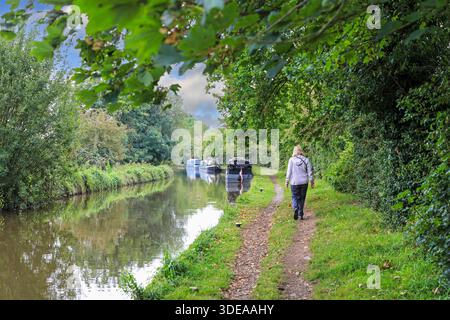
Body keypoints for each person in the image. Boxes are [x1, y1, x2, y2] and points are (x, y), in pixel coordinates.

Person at [285, 145, 314, 220]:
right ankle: (300, 214)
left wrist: (287, 181)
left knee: (295, 196)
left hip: (294, 182)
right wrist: (311, 181)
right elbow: (310, 172)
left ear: (294, 151)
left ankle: (295, 208)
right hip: (304, 182)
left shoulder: (291, 160)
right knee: (302, 198)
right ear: (301, 151)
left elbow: (289, 172)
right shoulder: (306, 160)